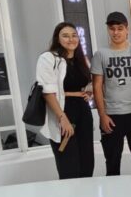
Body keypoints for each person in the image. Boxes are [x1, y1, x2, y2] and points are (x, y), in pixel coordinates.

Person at [91, 11, 131, 176]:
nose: (116, 32)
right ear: (108, 30)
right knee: (112, 162)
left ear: (127, 30)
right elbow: (97, 86)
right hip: (111, 115)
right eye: (112, 29)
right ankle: (113, 192)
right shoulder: (100, 55)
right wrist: (102, 115)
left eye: (120, 28)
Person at [36, 22, 94, 179]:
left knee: (87, 163)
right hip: (62, 112)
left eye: (74, 35)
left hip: (83, 111)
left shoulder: (82, 60)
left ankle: (87, 194)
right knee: (69, 166)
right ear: (57, 38)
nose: (71, 39)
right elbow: (47, 92)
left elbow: (88, 83)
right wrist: (62, 118)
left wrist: (89, 92)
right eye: (66, 36)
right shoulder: (48, 58)